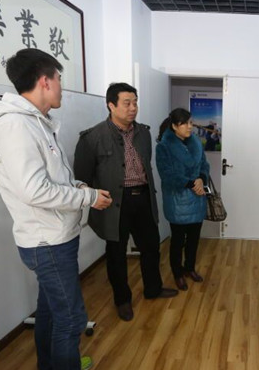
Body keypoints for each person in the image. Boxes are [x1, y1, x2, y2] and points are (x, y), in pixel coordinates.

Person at [0, 48, 111, 370]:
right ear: (45, 81)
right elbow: (34, 190)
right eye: (58, 79)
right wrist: (88, 197)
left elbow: (52, 178)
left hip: (57, 237)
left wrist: (79, 186)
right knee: (70, 317)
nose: (60, 87)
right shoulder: (15, 126)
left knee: (51, 310)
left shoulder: (37, 123)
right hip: (47, 242)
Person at [73, 83, 178, 322]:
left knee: (151, 247)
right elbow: (82, 178)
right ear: (111, 105)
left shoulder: (143, 133)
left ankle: (153, 289)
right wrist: (93, 200)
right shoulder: (92, 138)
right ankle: (122, 300)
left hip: (143, 198)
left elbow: (146, 165)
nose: (133, 108)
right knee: (116, 254)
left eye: (135, 102)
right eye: (127, 103)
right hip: (115, 204)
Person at [156, 108, 210, 291]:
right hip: (177, 201)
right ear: (174, 126)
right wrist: (191, 183)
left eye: (191, 122)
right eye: (184, 123)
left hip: (197, 198)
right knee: (178, 241)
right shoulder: (163, 147)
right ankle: (177, 273)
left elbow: (204, 164)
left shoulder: (196, 142)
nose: (189, 127)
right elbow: (167, 175)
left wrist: (201, 178)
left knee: (194, 239)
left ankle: (190, 268)